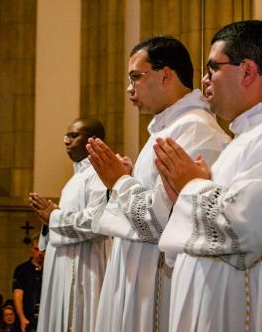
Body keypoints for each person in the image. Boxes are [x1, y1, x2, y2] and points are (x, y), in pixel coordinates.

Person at [153, 20, 262, 331]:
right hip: (221, 298)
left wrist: (190, 187)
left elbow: (244, 226)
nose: (205, 81)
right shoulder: (247, 138)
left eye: (213, 69)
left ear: (248, 71)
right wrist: (181, 197)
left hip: (254, 301)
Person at [86, 35, 230, 332]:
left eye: (136, 77)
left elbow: (157, 223)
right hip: (136, 272)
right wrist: (124, 180)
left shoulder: (194, 130)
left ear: (165, 76)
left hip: (157, 278)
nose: (130, 88)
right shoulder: (167, 130)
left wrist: (119, 181)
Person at [29, 118, 110, 332]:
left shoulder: (98, 175)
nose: (66, 140)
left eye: (74, 136)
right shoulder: (75, 179)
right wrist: (48, 221)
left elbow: (97, 222)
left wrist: (54, 216)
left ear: (93, 141)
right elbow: (61, 218)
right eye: (67, 135)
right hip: (62, 265)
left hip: (84, 266)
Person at [12, 241, 44, 332]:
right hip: (27, 317)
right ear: (32, 250)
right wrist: (22, 318)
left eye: (43, 250)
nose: (40, 253)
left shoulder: (50, 270)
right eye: (37, 249)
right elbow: (18, 296)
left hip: (44, 317)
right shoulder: (21, 269)